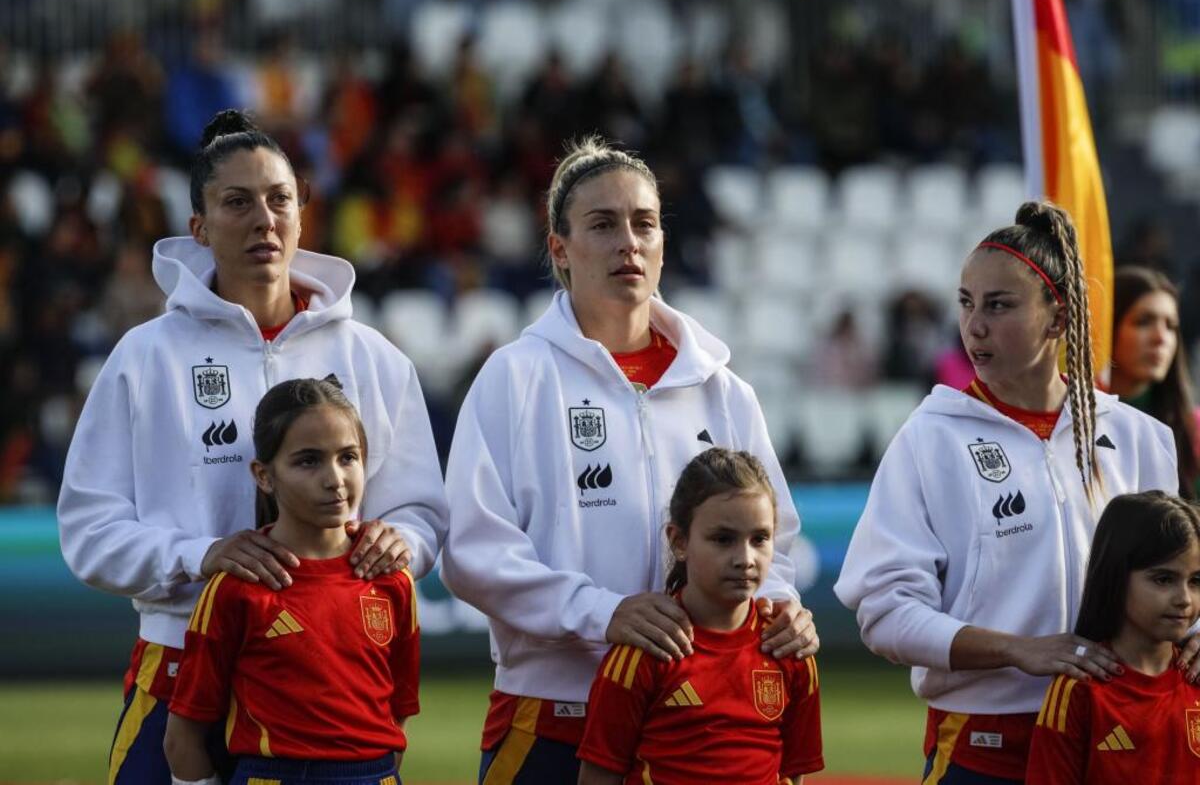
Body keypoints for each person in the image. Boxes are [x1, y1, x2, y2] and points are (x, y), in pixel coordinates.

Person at [56, 109, 448, 784]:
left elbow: (423, 514)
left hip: (325, 681)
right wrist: (199, 555)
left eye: (278, 199)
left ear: (302, 213)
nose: (263, 219)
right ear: (200, 229)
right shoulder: (144, 357)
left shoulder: (374, 358)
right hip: (179, 669)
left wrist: (401, 542)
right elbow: (88, 531)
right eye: (237, 203)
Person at [441, 136, 818, 785]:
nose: (629, 241)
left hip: (691, 728)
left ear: (664, 242)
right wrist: (601, 610)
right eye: (603, 223)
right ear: (560, 248)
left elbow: (774, 545)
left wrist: (783, 608)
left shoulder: (722, 389)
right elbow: (471, 552)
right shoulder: (515, 377)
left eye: (644, 222)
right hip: (552, 718)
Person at [834, 201, 1179, 784]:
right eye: (967, 304)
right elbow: (885, 612)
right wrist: (1015, 648)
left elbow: (1180, 575)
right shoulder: (929, 438)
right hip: (986, 750)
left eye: (999, 305)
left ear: (1058, 317)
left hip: (1123, 738)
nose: (975, 326)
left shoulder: (1137, 436)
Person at [164, 377, 419, 785]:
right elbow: (182, 739)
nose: (334, 478)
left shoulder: (392, 579)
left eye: (348, 457)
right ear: (264, 475)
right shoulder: (238, 586)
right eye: (308, 461)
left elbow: (397, 715)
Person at [577, 448, 823, 785]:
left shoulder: (788, 650)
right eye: (723, 539)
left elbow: (793, 774)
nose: (745, 558)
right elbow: (598, 776)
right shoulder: (644, 651)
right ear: (679, 541)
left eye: (760, 539)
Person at [1025, 491, 1200, 783]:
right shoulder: (1078, 689)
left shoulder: (1193, 676)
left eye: (1196, 581)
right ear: (1116, 577)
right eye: (1163, 579)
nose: (1184, 598)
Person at [1109, 265, 1200, 498]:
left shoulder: (1194, 432)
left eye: (1171, 326)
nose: (1161, 338)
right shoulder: (1073, 422)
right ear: (1109, 325)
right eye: (1143, 321)